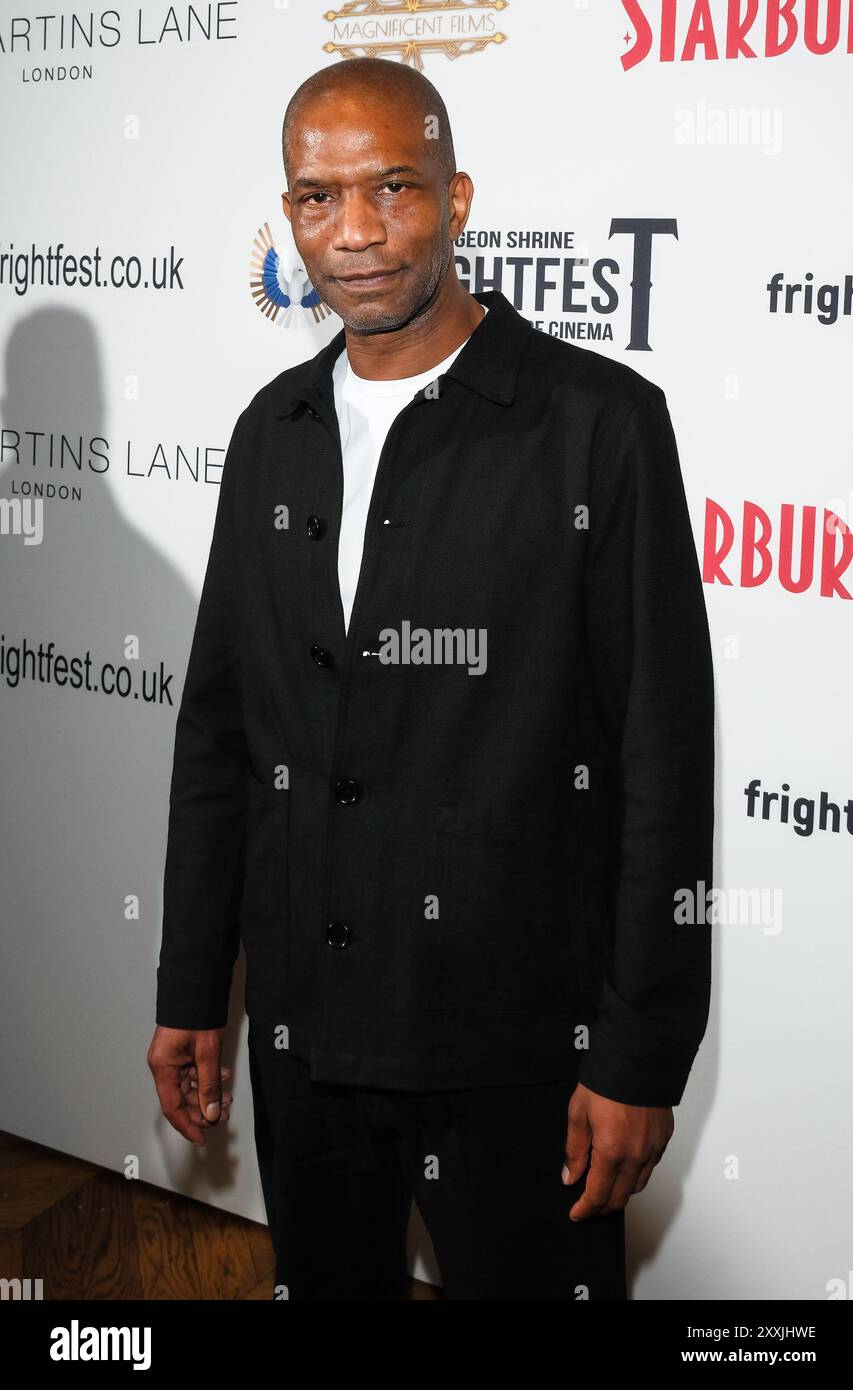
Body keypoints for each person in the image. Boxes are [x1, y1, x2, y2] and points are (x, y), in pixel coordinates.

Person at [147, 56, 715, 1301]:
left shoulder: (596, 424)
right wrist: (194, 985)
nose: (352, 234)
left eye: (390, 188)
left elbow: (661, 761)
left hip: (513, 1045)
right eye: (314, 198)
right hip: (307, 1030)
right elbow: (221, 736)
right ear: (285, 214)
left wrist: (637, 1055)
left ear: (457, 198)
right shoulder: (271, 432)